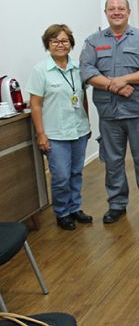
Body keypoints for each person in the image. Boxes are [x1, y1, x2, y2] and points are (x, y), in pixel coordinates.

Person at [79, 0, 139, 224]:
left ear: (128, 11)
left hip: (138, 111)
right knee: (112, 160)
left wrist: (123, 80)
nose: (116, 12)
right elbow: (86, 70)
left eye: (121, 8)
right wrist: (114, 87)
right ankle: (116, 204)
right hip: (109, 113)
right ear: (105, 12)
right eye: (112, 9)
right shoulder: (94, 41)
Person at [26, 25, 92, 230]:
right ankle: (62, 212)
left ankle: (75, 208)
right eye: (54, 41)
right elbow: (35, 105)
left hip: (78, 130)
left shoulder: (78, 68)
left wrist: (87, 123)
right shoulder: (40, 71)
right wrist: (41, 134)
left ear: (70, 44)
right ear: (48, 44)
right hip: (55, 134)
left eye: (64, 41)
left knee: (75, 173)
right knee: (61, 175)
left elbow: (82, 99)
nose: (59, 45)